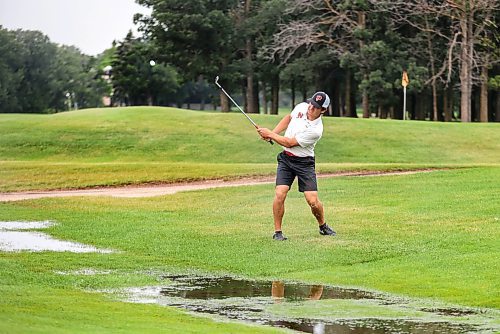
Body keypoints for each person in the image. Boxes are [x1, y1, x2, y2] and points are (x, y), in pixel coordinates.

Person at [257, 92, 336, 241]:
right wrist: (272, 133)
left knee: (312, 201)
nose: (311, 107)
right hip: (286, 159)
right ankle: (278, 232)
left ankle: (322, 225)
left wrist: (270, 135)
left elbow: (289, 143)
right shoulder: (302, 107)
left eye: (316, 107)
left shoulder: (316, 130)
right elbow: (288, 118)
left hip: (304, 163)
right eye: (312, 103)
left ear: (323, 111)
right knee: (280, 193)